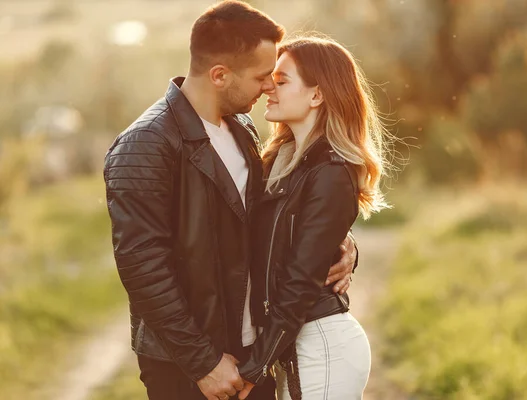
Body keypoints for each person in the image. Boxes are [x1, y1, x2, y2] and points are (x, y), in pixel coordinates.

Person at [103, 2, 358, 400]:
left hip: (251, 350)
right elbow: (143, 267)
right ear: (220, 75)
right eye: (261, 77)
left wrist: (340, 245)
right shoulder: (145, 144)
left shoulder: (243, 129)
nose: (268, 87)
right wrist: (202, 362)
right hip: (184, 365)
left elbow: (271, 220)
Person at [237, 36, 390, 400]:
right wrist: (346, 247)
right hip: (293, 346)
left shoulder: (332, 171)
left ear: (317, 95)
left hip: (323, 348)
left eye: (282, 79)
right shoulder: (277, 163)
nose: (268, 88)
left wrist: (254, 367)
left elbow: (300, 281)